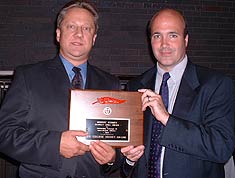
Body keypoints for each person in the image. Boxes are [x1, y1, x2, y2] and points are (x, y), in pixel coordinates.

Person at [0, 1, 139, 177]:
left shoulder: (110, 83)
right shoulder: (28, 77)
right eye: (71, 26)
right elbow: (4, 134)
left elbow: (117, 146)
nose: (79, 34)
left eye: (86, 28)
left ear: (94, 38)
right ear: (58, 34)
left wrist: (111, 158)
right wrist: (55, 144)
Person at [122, 8, 235, 178]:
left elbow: (221, 148)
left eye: (172, 35)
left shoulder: (216, 85)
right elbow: (127, 156)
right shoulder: (135, 86)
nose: (164, 44)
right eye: (157, 36)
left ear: (186, 40)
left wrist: (167, 119)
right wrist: (129, 160)